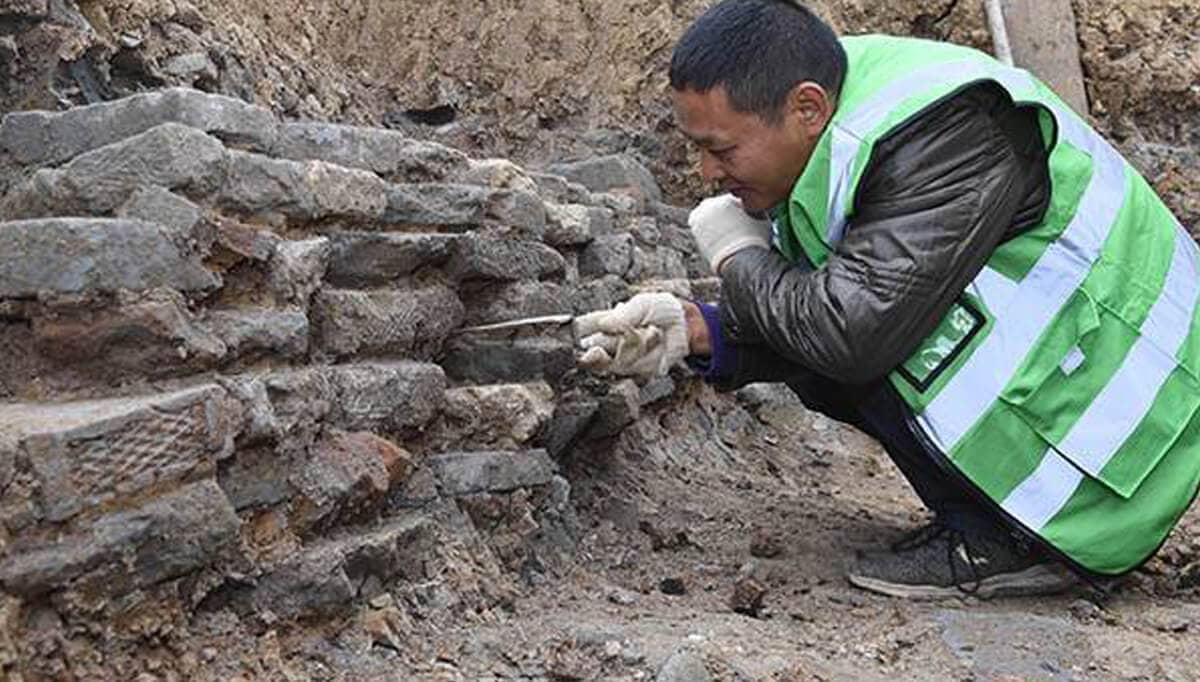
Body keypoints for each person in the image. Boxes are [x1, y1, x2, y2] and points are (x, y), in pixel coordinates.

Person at [573, 0, 1200, 599]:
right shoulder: (842, 120)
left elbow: (851, 334)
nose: (708, 174)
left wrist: (739, 259)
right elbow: (833, 300)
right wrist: (698, 331)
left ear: (807, 107)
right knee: (831, 325)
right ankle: (988, 520)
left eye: (723, 149)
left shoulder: (944, 133)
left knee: (849, 344)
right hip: (1089, 402)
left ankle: (1013, 542)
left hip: (1128, 454)